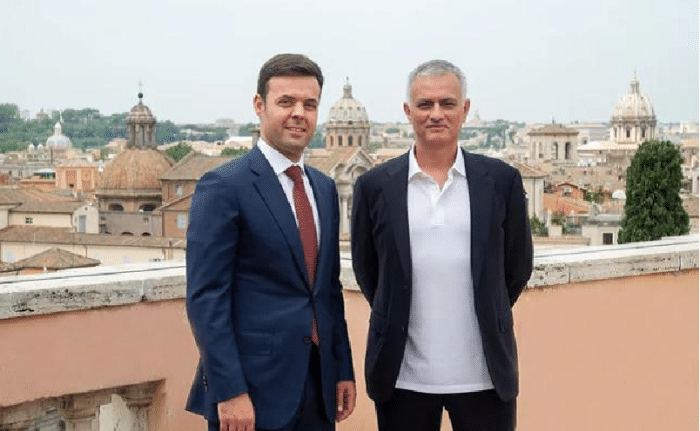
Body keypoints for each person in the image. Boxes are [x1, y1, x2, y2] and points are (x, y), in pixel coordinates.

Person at [351, 59, 533, 431]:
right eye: (425, 104)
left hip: (486, 377)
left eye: (447, 103)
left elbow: (516, 268)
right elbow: (368, 272)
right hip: (402, 379)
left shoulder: (502, 181)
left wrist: (489, 307)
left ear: (465, 109)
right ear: (408, 111)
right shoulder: (374, 186)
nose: (436, 114)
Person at [186, 53, 356, 431]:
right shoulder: (224, 186)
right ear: (259, 105)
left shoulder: (324, 188)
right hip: (251, 391)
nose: (299, 113)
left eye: (309, 104)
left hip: (318, 385)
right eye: (286, 102)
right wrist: (229, 391)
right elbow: (206, 298)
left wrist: (341, 367)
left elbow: (327, 291)